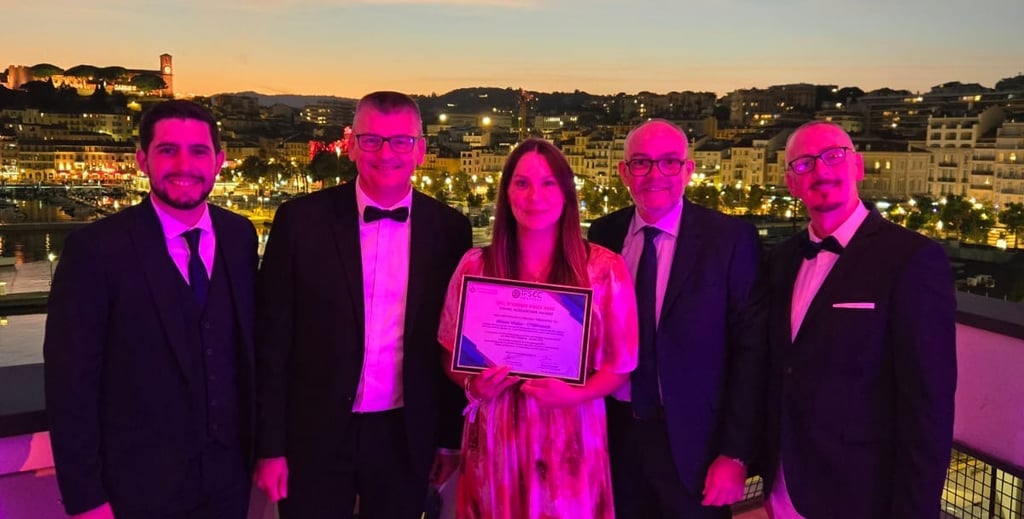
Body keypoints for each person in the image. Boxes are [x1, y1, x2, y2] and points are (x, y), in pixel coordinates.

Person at [253, 91, 472, 519]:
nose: (385, 153)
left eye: (400, 141)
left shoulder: (450, 230)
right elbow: (272, 343)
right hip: (313, 432)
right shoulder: (299, 221)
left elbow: (448, 344)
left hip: (405, 435)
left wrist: (448, 439)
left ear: (420, 150)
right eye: (371, 140)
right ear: (351, 145)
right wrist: (270, 447)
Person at [44, 99, 258, 519]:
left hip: (229, 482)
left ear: (219, 161)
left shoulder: (239, 235)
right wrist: (85, 497)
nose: (184, 164)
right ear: (142, 159)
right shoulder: (95, 250)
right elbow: (70, 383)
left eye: (198, 151)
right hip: (137, 490)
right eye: (167, 150)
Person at [761, 121, 956, 519]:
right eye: (803, 165)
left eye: (833, 156)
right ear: (791, 183)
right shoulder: (779, 260)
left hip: (860, 491)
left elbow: (928, 404)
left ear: (858, 167)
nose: (820, 170)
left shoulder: (912, 259)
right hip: (783, 485)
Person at [437, 138, 639, 519]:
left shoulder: (603, 269)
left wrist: (574, 396)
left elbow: (620, 365)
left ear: (566, 193)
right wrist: (471, 385)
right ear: (506, 193)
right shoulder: (475, 266)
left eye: (548, 183)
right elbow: (450, 351)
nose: (535, 196)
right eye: (522, 183)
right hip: (495, 438)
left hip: (571, 435)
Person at [588, 119, 767, 519]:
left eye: (669, 162)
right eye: (641, 163)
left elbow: (751, 354)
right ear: (623, 172)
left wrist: (735, 454)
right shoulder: (602, 233)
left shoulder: (731, 239)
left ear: (689, 169)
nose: (655, 175)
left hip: (695, 446)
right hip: (612, 436)